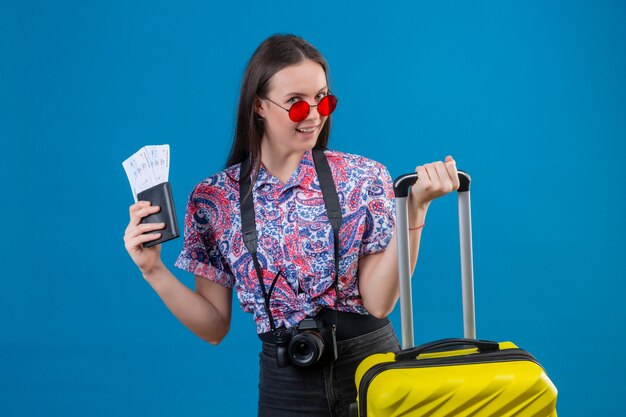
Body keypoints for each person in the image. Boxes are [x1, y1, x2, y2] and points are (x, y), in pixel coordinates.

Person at [123, 34, 460, 417]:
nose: (315, 115)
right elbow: (214, 327)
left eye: (323, 99)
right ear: (259, 106)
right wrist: (153, 270)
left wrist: (414, 211)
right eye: (297, 105)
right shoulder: (214, 199)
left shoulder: (363, 177)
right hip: (285, 387)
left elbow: (380, 302)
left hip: (374, 373)